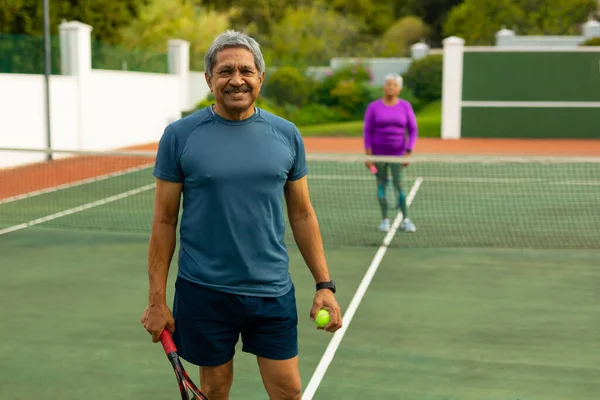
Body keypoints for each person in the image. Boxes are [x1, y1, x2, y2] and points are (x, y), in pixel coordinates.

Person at [140, 30, 342, 400]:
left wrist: (324, 286)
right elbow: (164, 221)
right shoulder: (179, 136)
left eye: (246, 71)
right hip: (204, 291)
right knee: (215, 390)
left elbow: (301, 213)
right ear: (209, 79)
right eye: (225, 71)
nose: (237, 80)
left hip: (271, 291)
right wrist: (157, 300)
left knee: (289, 390)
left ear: (260, 77)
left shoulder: (286, 134)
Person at [363, 73, 418, 233]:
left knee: (399, 186)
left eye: (394, 85)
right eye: (388, 84)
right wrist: (369, 155)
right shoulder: (374, 107)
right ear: (383, 86)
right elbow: (367, 131)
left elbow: (413, 130)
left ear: (399, 88)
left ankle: (406, 219)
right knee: (381, 187)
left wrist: (408, 152)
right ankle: (385, 219)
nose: (390, 87)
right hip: (378, 155)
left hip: (398, 155)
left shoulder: (405, 106)